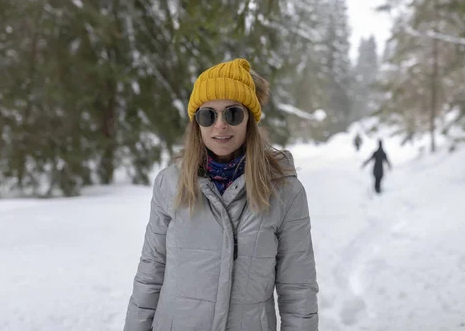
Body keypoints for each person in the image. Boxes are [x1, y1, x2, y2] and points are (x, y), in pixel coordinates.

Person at [123, 58, 319, 331]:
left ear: (249, 119)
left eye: (233, 114)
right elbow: (151, 273)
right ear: (197, 124)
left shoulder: (285, 192)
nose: (220, 126)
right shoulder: (170, 184)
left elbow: (298, 290)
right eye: (208, 115)